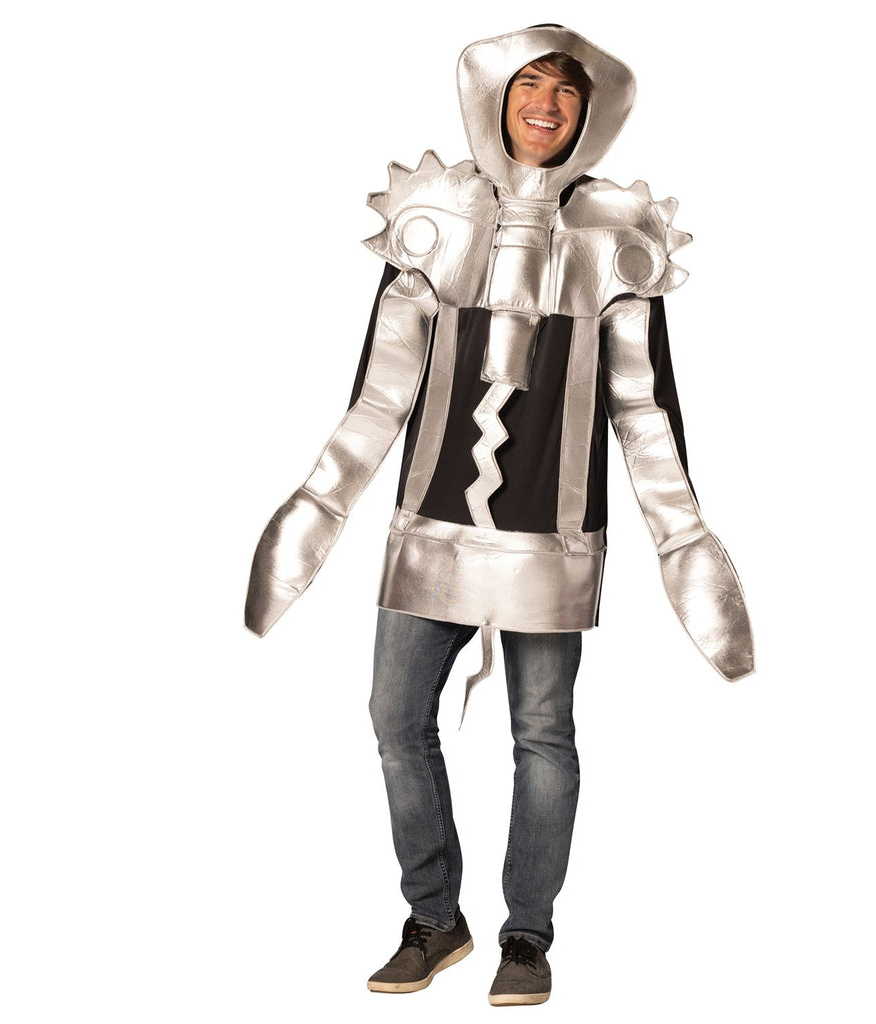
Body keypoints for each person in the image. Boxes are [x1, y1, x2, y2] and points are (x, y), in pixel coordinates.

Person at [245, 25, 754, 1006]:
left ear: (589, 113)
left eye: (565, 91)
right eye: (530, 85)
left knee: (543, 735)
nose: (545, 105)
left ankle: (527, 938)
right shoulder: (436, 221)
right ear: (497, 98)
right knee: (396, 718)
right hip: (429, 524)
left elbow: (643, 408)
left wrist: (684, 541)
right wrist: (318, 505)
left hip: (549, 537)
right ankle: (435, 921)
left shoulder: (614, 239)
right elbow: (382, 392)